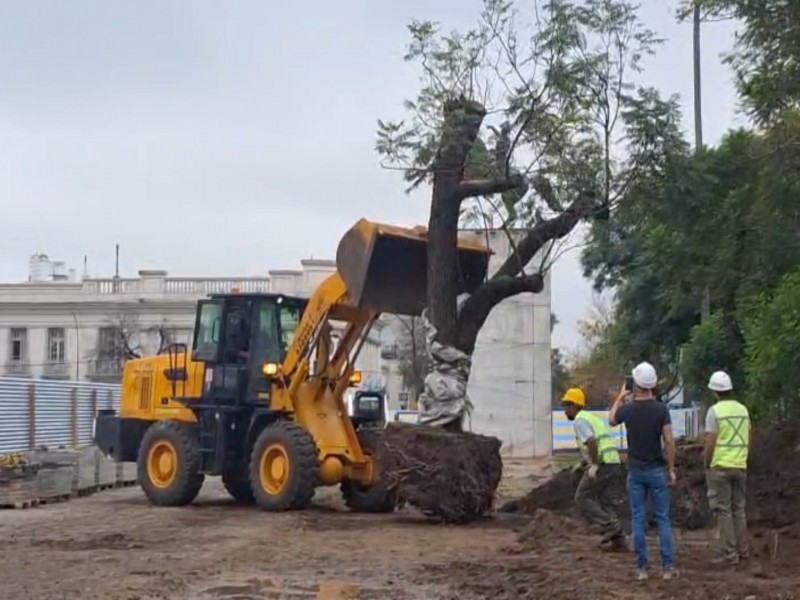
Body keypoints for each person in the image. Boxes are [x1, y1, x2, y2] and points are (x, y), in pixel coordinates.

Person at [609, 362, 677, 581]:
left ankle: (642, 569)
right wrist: (671, 468)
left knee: (638, 519)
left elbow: (611, 419)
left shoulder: (628, 410)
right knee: (663, 519)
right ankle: (667, 568)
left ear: (636, 384)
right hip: (657, 470)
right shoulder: (661, 409)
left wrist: (620, 396)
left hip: (636, 471)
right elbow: (668, 441)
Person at [561, 387, 627, 551]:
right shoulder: (589, 417)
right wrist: (585, 463)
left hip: (604, 465)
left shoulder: (579, 420)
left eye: (567, 406)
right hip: (613, 463)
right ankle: (619, 542)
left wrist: (595, 465)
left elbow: (592, 442)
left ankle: (611, 526)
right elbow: (597, 442)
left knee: (582, 498)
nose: (565, 411)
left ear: (575, 405)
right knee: (601, 499)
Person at [704, 370, 750, 565]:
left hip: (721, 466)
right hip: (740, 465)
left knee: (724, 510)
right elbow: (749, 436)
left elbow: (711, 441)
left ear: (714, 391)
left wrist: (707, 463)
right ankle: (744, 552)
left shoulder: (714, 412)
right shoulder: (743, 410)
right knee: (739, 509)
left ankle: (730, 555)